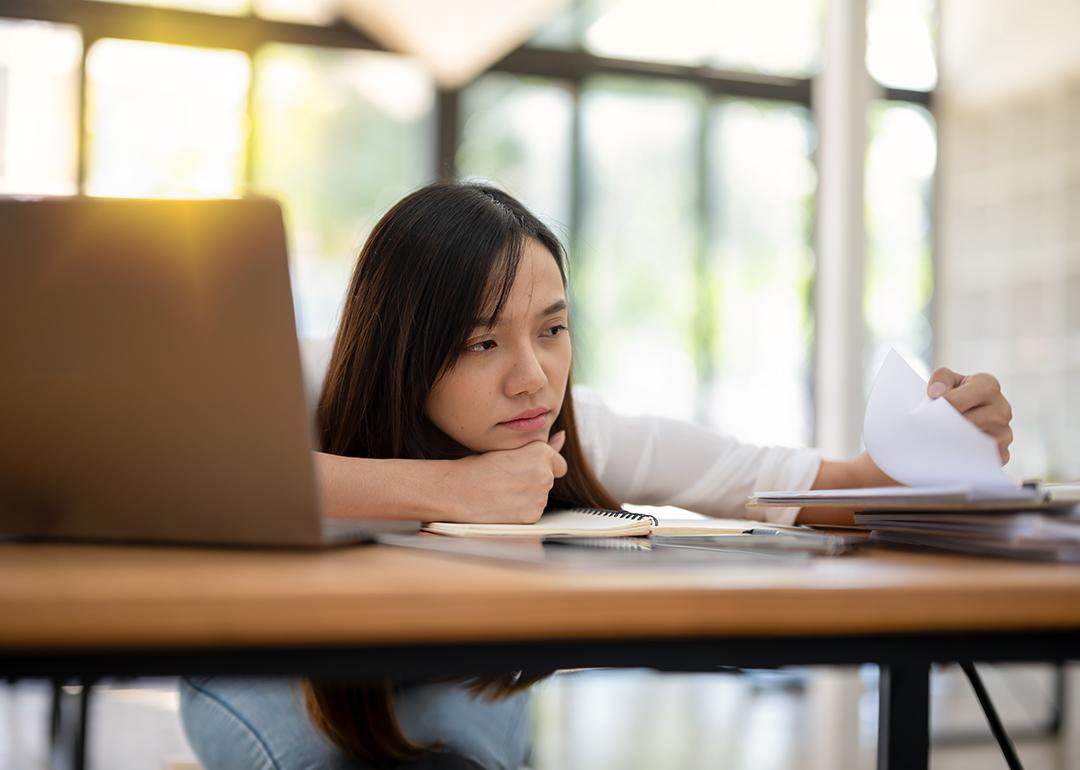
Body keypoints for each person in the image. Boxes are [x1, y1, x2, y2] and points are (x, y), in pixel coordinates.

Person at [180, 181, 1014, 770]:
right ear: (404, 348)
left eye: (551, 330)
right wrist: (447, 491)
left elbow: (812, 487)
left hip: (446, 669)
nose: (533, 379)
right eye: (482, 342)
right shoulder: (308, 379)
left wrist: (938, 444)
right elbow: (194, 470)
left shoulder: (573, 431)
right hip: (269, 663)